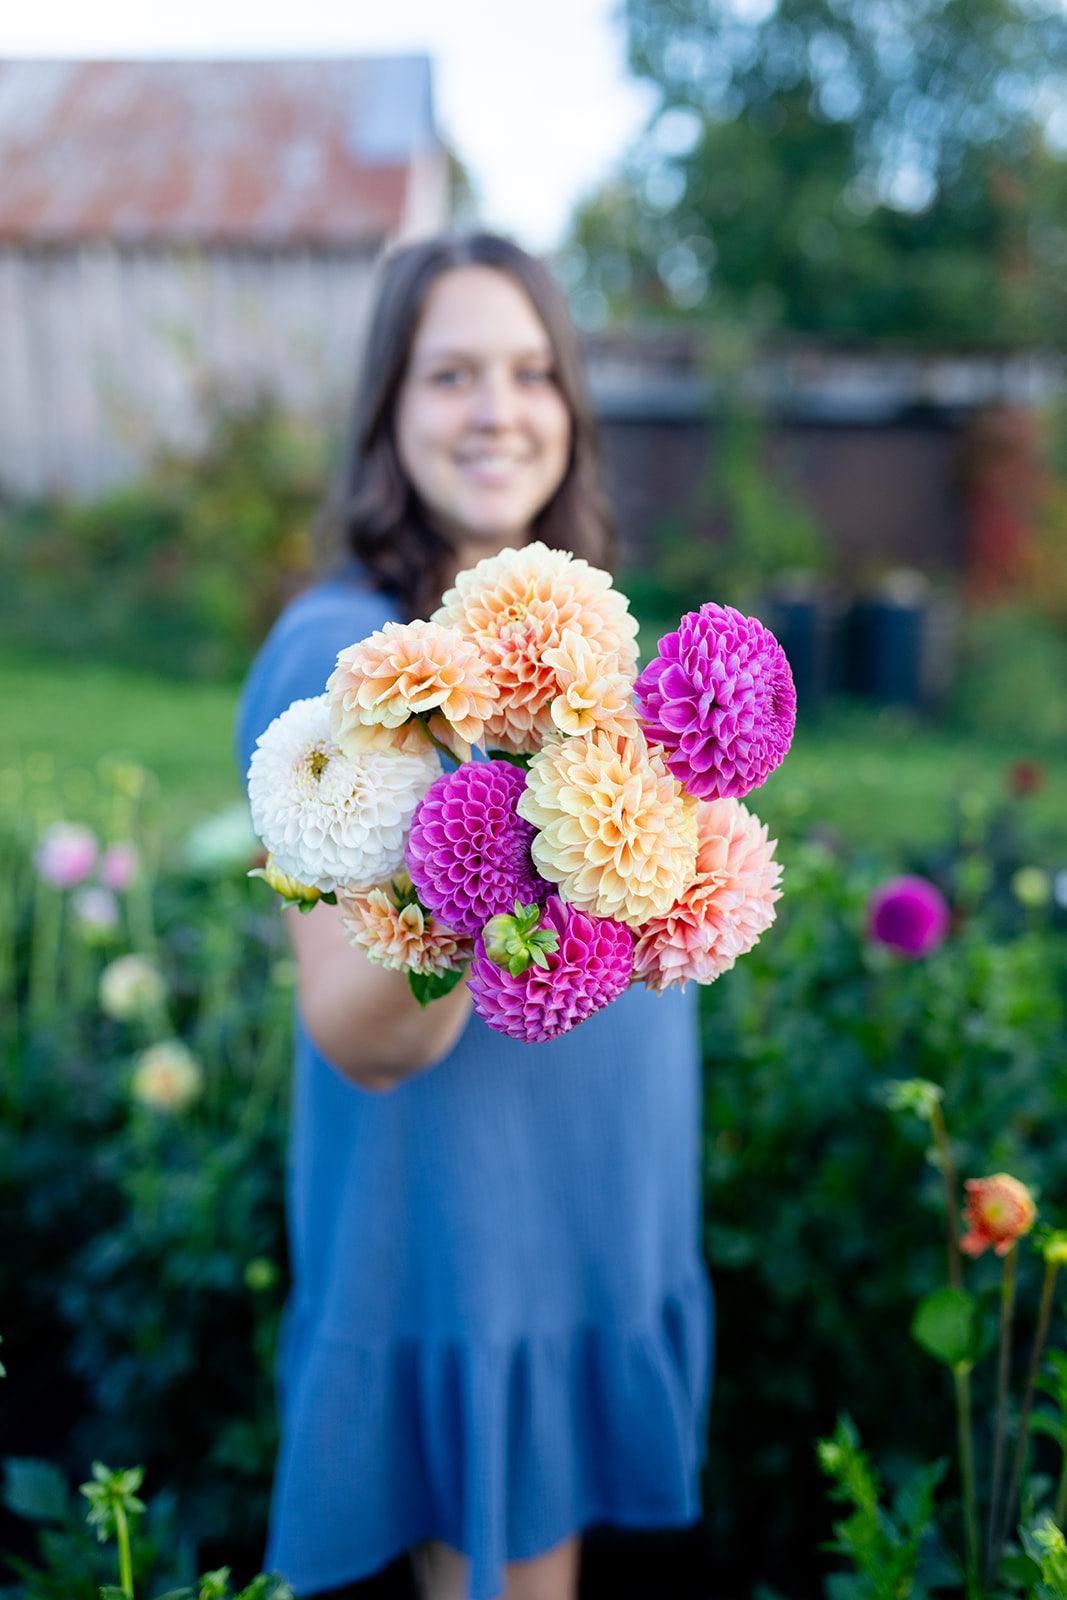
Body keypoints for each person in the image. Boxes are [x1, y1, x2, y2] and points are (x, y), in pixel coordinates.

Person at [236, 233, 712, 1600]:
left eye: (532, 372)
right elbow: (358, 1029)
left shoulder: (589, 655)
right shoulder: (344, 663)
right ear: (388, 410)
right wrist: (482, 860)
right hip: (466, 1231)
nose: (500, 410)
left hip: (595, 1194)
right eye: (452, 375)